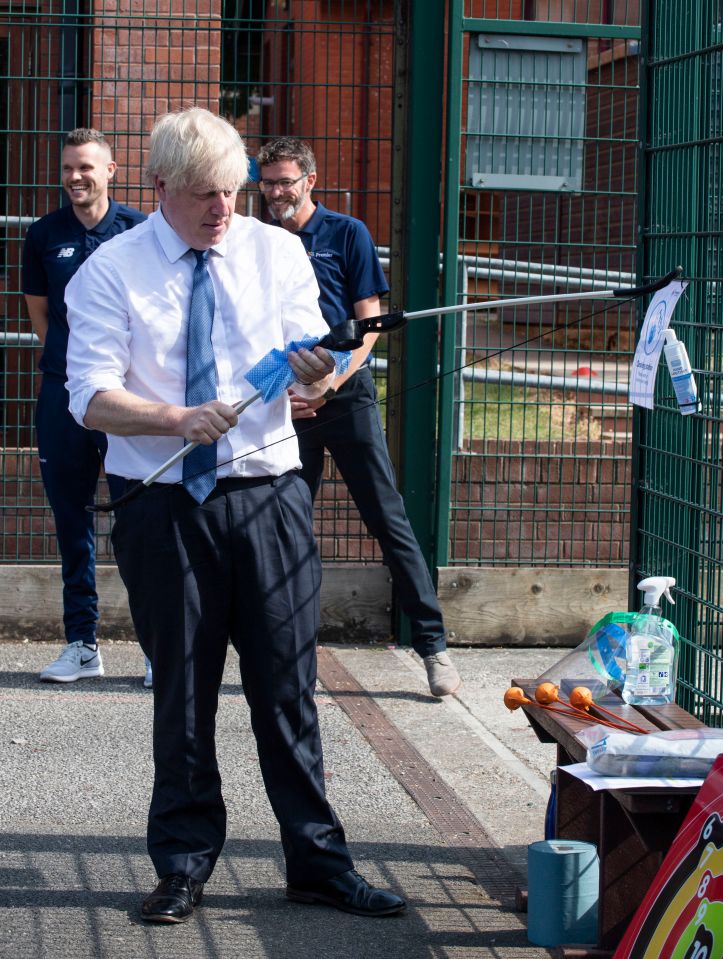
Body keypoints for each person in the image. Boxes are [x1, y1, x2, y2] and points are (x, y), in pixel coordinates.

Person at [64, 107, 406, 923]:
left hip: (268, 495)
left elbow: (308, 365)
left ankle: (317, 859)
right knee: (181, 688)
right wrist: (178, 418)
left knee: (287, 685)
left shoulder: (277, 251)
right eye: (202, 195)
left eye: (232, 190)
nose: (223, 208)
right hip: (164, 502)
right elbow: (88, 396)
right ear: (157, 191)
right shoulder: (110, 271)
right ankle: (182, 862)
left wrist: (319, 376)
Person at [256, 137, 461, 698]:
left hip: (343, 396)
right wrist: (289, 391)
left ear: (310, 181)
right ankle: (290, 655)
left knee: (386, 517)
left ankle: (434, 646)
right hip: (285, 402)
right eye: (267, 181)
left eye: (285, 181)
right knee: (286, 527)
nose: (275, 191)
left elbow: (368, 328)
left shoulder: (347, 234)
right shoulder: (257, 241)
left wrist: (329, 384)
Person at [22, 128, 152, 688]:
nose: (77, 177)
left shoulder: (141, 231)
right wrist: (71, 373)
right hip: (63, 393)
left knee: (143, 520)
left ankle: (157, 647)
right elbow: (43, 317)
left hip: (126, 397)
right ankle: (82, 644)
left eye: (88, 168)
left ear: (112, 170)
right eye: (70, 168)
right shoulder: (44, 234)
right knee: (72, 520)